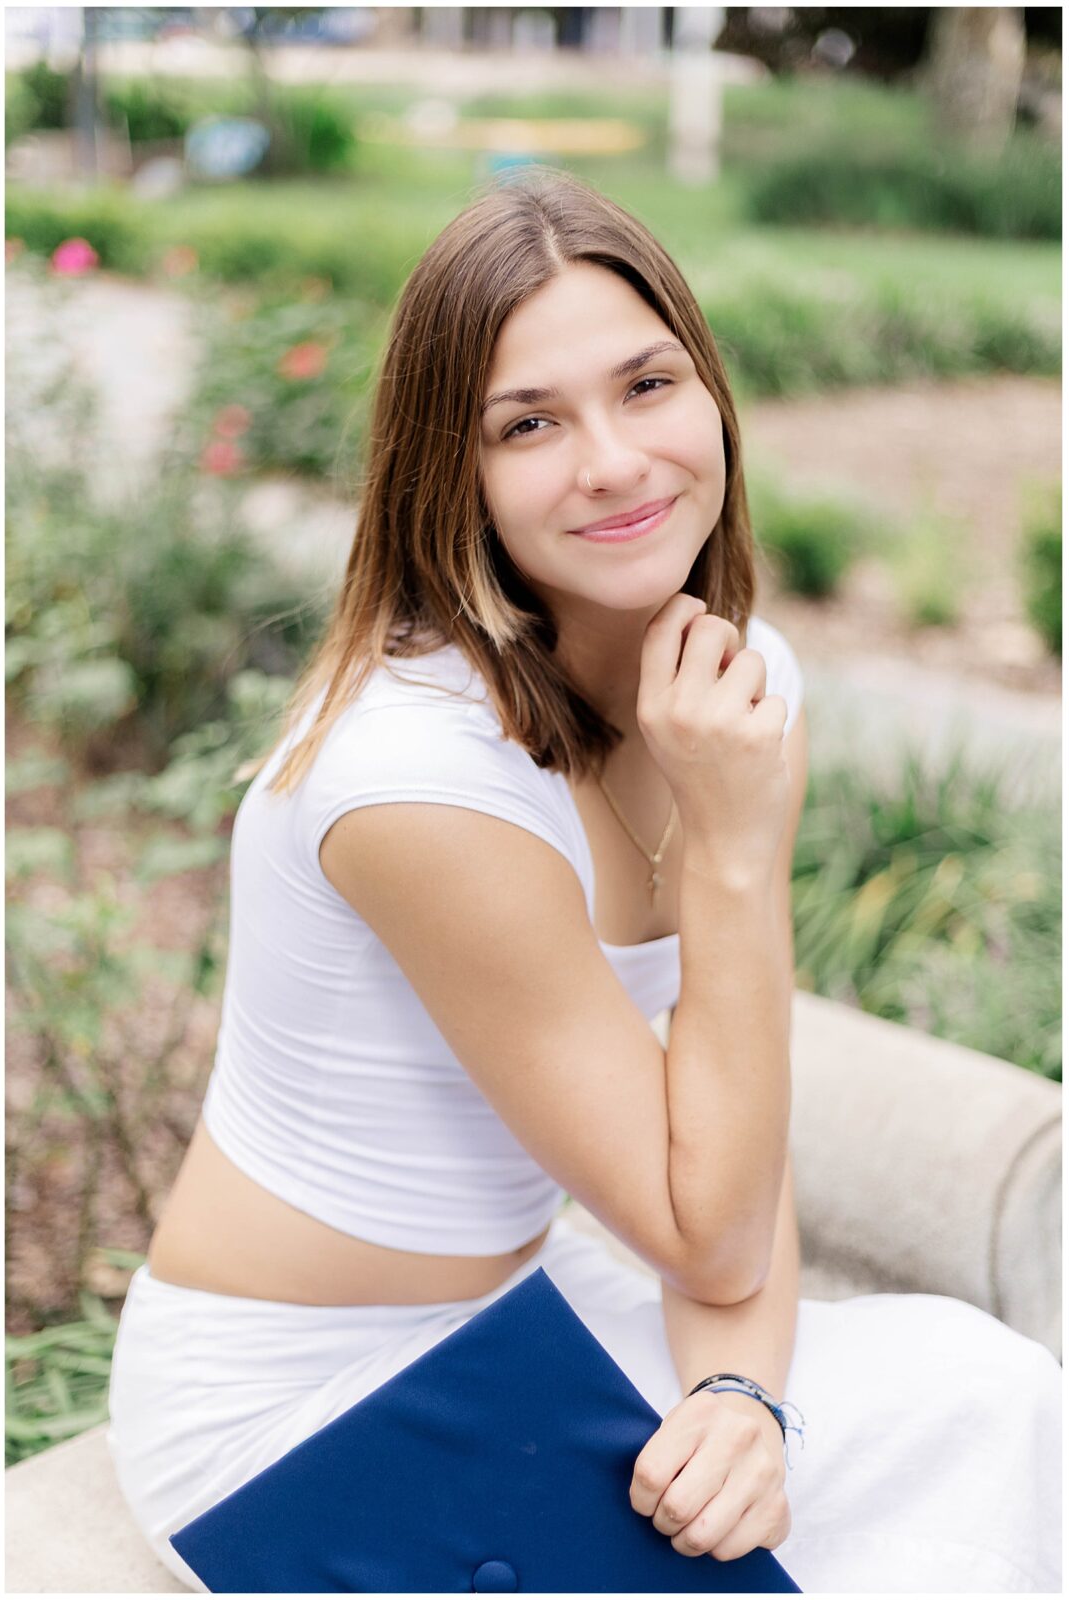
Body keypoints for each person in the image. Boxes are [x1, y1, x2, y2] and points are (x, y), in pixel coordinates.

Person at [107, 171, 1060, 1593]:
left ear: (713, 396)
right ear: (459, 475)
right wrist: (736, 842)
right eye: (530, 424)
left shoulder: (729, 695)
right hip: (302, 1414)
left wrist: (744, 1400)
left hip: (524, 1321)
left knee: (996, 1400)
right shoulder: (418, 786)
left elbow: (728, 1123)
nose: (613, 461)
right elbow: (702, 1219)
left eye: (647, 384)